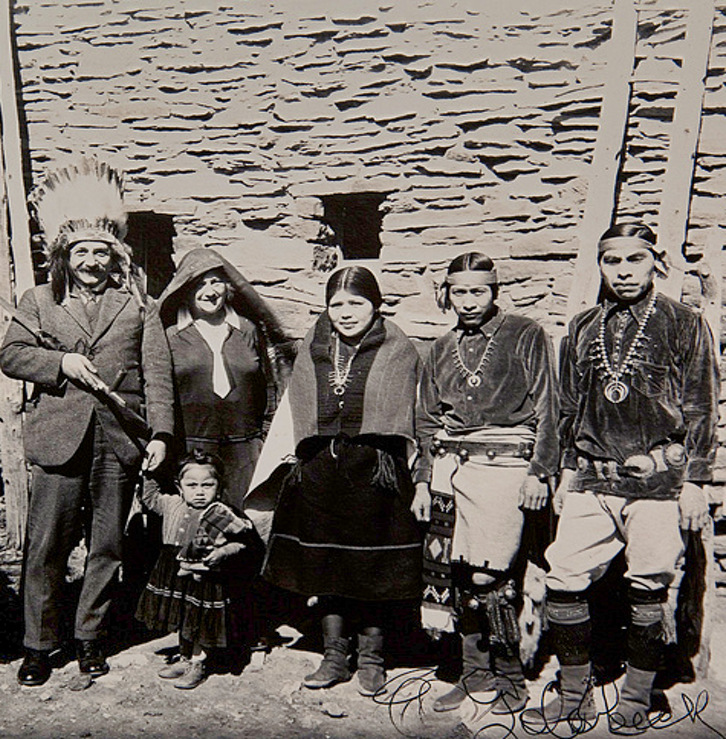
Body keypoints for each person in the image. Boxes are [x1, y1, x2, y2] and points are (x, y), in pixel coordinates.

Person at [523, 223, 718, 735]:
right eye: (613, 261)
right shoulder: (583, 326)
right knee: (563, 579)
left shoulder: (684, 323)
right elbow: (567, 409)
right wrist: (565, 472)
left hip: (658, 482)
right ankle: (574, 694)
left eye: (635, 260)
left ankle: (638, 695)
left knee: (649, 584)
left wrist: (696, 480)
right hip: (592, 478)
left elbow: (701, 406)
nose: (625, 271)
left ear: (654, 262)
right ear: (601, 266)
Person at [0, 157, 174, 688]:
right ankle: (38, 644)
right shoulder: (41, 302)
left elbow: (157, 374)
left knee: (107, 546)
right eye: (82, 252)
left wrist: (161, 434)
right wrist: (59, 364)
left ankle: (91, 638)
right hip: (59, 439)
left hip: (117, 442)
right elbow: (11, 355)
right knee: (46, 545)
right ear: (65, 257)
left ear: (114, 256)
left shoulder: (138, 307)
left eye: (101, 252)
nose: (92, 261)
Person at [258, 266, 423, 697]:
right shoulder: (313, 347)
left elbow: (412, 416)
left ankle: (371, 658)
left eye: (357, 303)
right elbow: (292, 408)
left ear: (376, 305)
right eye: (337, 304)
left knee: (372, 569)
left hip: (376, 473)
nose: (346, 313)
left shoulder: (398, 348)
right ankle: (334, 655)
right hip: (321, 472)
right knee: (327, 567)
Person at [412, 252, 558, 715]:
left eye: (479, 291)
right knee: (455, 573)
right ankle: (472, 673)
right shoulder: (439, 348)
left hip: (505, 465)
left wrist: (540, 470)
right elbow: (427, 421)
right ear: (447, 294)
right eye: (460, 292)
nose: (469, 301)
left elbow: (550, 408)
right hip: (451, 466)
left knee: (489, 575)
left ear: (495, 291)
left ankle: (510, 677)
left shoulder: (525, 334)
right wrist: (422, 482)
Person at [157, 248, 289, 509]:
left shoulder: (248, 330)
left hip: (246, 451)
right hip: (191, 451)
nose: (209, 292)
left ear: (228, 286)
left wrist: (263, 439)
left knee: (246, 523)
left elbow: (270, 386)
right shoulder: (170, 336)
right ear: (185, 288)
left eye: (215, 281)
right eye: (199, 284)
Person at [136, 450, 259, 689]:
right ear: (179, 487)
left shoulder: (221, 513)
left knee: (198, 618)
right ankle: (184, 656)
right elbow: (149, 498)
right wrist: (149, 472)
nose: (199, 491)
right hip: (173, 567)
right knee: (182, 614)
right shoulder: (171, 504)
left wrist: (222, 553)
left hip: (205, 575)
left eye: (207, 485)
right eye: (191, 485)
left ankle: (198, 662)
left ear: (219, 487)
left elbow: (241, 541)